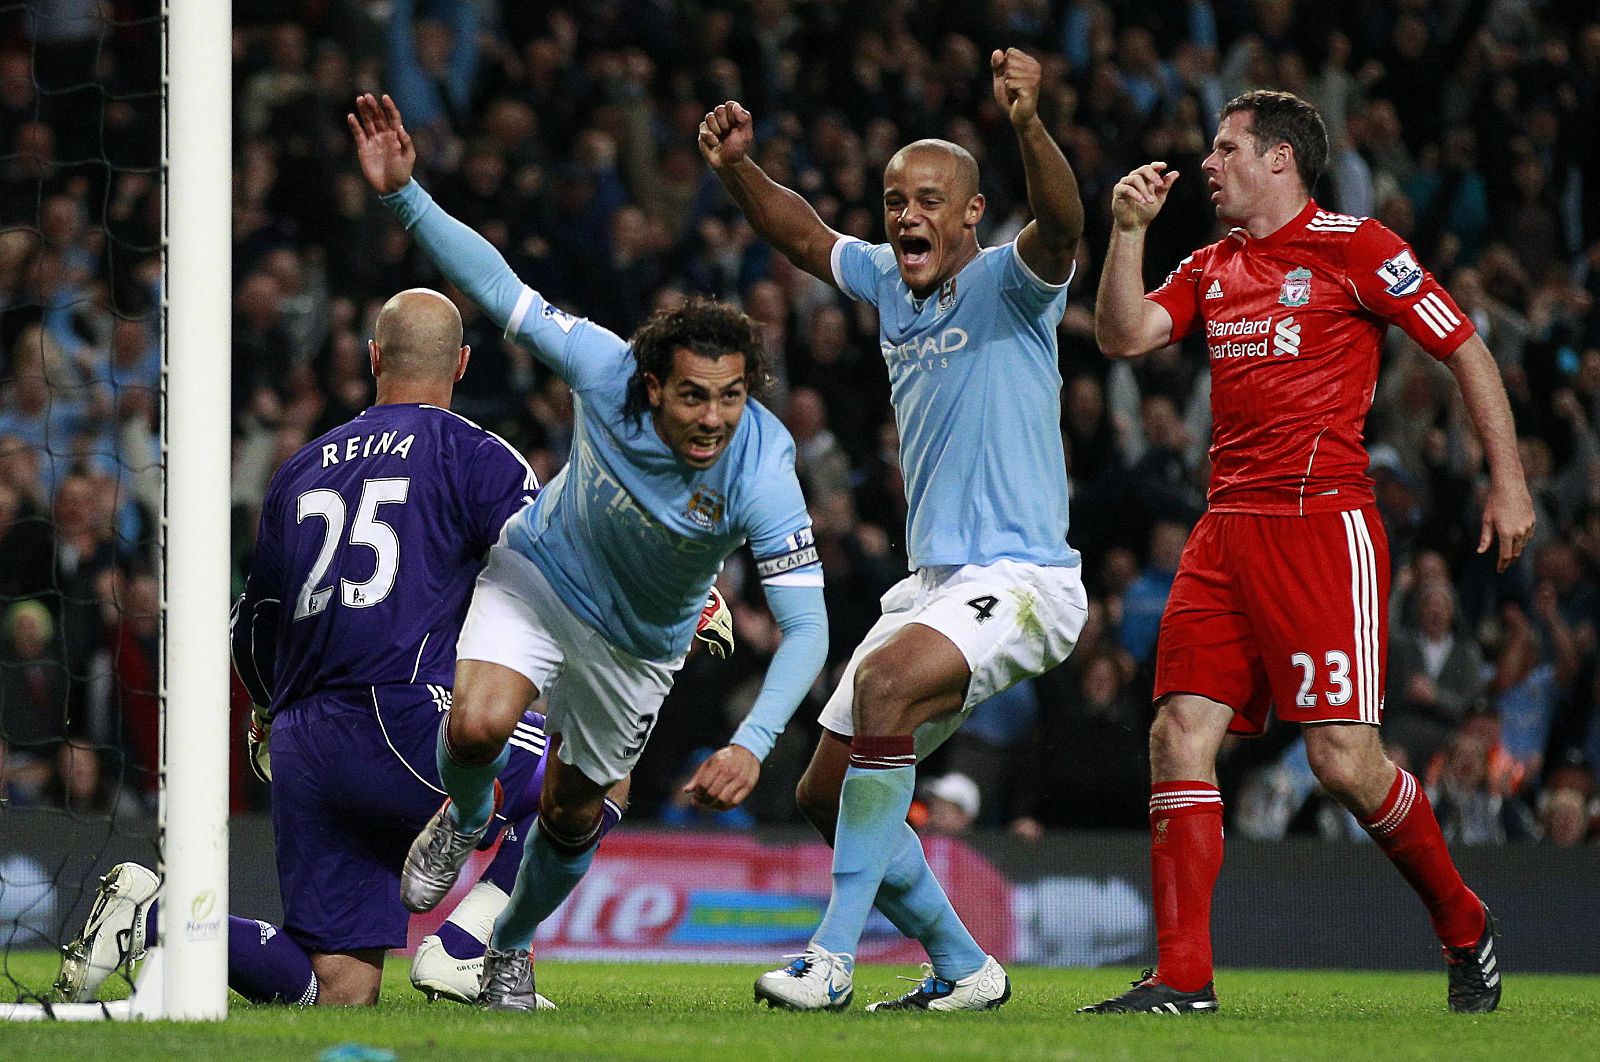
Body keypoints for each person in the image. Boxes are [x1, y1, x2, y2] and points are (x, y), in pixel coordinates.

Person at [348, 93, 828, 1011]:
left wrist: (754, 742)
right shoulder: (604, 368)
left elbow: (806, 627)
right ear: (653, 383)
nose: (713, 419)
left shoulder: (765, 465)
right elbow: (495, 290)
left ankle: (510, 947)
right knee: (478, 728)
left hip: (639, 648)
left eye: (730, 397)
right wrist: (405, 198)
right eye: (693, 397)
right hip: (540, 581)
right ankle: (469, 814)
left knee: (575, 815)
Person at [1082, 90, 1533, 1015]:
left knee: (1342, 760)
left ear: (1280, 159)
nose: (1206, 164)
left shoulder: (1358, 247)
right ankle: (1183, 977)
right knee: (1178, 733)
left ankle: (1463, 921)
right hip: (1224, 530)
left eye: (1224, 147)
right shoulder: (1212, 263)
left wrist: (1510, 479)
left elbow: (1467, 349)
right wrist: (1126, 231)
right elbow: (1125, 335)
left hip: (1323, 527)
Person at [55, 288, 632, 1008]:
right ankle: (464, 948)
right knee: (601, 773)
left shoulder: (299, 470)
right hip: (409, 714)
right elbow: (556, 565)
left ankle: (154, 917)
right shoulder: (479, 456)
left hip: (303, 741)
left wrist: (266, 713)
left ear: (372, 357)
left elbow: (251, 625)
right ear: (461, 364)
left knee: (337, 985)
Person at [699, 47, 1088, 1012]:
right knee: (822, 793)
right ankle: (965, 966)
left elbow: (1066, 224)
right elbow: (804, 237)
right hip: (935, 584)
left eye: (928, 200)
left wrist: (1031, 127)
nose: (906, 215)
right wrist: (739, 170)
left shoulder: (1013, 284)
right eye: (893, 201)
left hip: (1026, 575)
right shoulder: (885, 282)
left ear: (968, 215)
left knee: (881, 683)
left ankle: (830, 957)